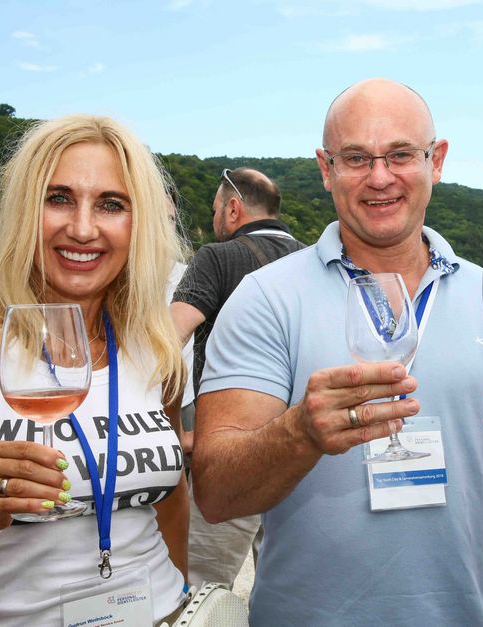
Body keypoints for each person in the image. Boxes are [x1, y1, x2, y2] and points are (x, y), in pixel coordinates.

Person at [191, 78, 483, 626]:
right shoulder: (265, 297)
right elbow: (216, 494)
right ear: (326, 169)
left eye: (401, 155)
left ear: (437, 160)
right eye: (356, 158)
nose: (380, 177)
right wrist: (299, 433)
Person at [0, 114, 192, 625]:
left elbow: (169, 500)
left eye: (111, 204)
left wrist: (182, 599)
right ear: (23, 211)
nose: (82, 228)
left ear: (139, 224)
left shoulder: (155, 349)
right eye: (58, 198)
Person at [171, 167, 305, 589]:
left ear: (233, 209)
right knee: (289, 590)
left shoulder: (218, 257)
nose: (215, 219)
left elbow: (165, 341)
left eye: (215, 210)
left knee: (199, 591)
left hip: (235, 454)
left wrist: (169, 431)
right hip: (305, 459)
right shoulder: (314, 262)